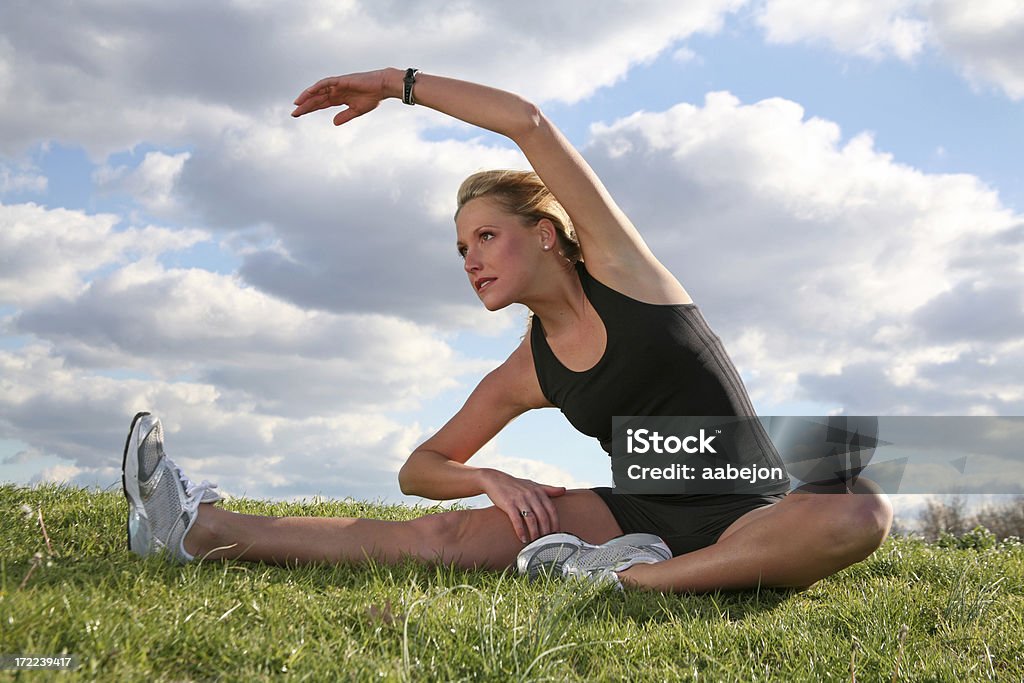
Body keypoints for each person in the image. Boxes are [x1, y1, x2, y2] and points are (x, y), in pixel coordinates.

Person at [121, 67, 892, 592]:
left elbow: (528, 123)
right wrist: (488, 477)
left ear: (547, 233)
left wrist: (398, 84)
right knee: (444, 538)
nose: (470, 259)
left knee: (861, 509)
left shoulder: (627, 274)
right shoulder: (528, 369)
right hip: (639, 515)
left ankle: (625, 581)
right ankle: (197, 530)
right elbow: (418, 469)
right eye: (461, 247)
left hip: (753, 511)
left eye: (486, 236)